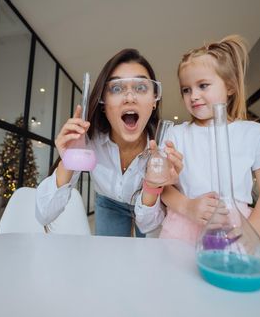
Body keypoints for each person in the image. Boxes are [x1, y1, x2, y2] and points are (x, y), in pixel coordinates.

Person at [135, 35, 260, 245]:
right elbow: (164, 187)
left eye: (203, 85)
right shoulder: (175, 134)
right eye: (186, 89)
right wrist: (188, 206)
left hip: (236, 230)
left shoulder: (254, 133)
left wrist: (251, 235)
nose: (193, 95)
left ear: (230, 87)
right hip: (181, 229)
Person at [36, 48, 183, 237]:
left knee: (147, 257)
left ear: (154, 100)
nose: (130, 98)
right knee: (109, 258)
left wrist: (153, 185)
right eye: (116, 88)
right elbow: (44, 214)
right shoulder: (87, 141)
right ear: (103, 103)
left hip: (147, 202)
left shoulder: (165, 145)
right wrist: (68, 160)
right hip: (108, 201)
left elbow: (148, 226)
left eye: (141, 87)